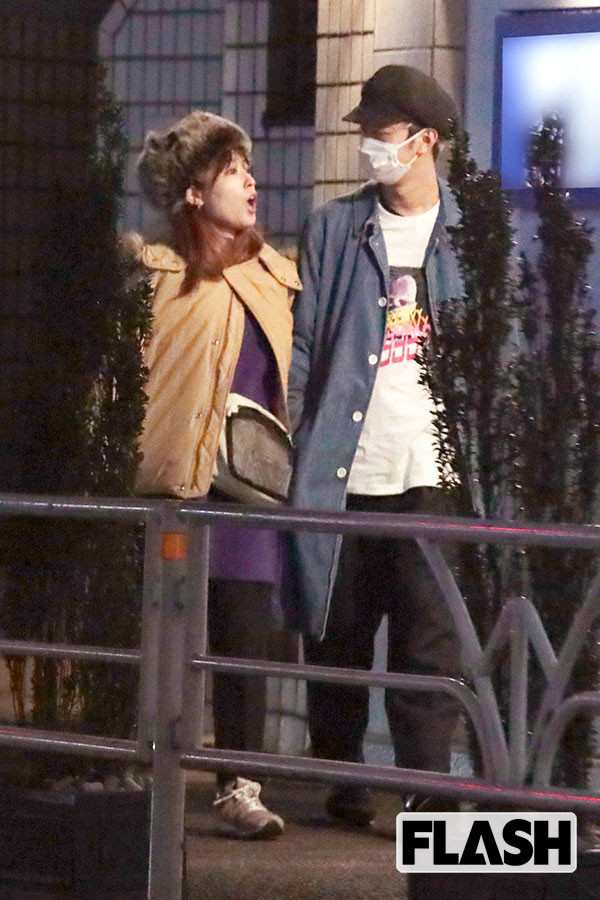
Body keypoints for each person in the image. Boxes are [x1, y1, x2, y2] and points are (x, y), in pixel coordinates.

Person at [287, 65, 464, 826]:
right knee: (338, 637)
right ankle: (343, 777)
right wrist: (298, 439)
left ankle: (429, 792)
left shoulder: (469, 232)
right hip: (345, 467)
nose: (369, 148)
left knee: (431, 646)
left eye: (381, 134)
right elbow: (302, 349)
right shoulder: (335, 228)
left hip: (435, 472)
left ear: (424, 141)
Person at [135, 110, 300, 838]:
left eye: (250, 170)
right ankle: (145, 773)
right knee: (162, 640)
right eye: (233, 172)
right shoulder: (156, 274)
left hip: (249, 495)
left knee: (243, 643)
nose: (251, 183)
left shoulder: (277, 277)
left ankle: (240, 786)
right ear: (195, 192)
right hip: (173, 487)